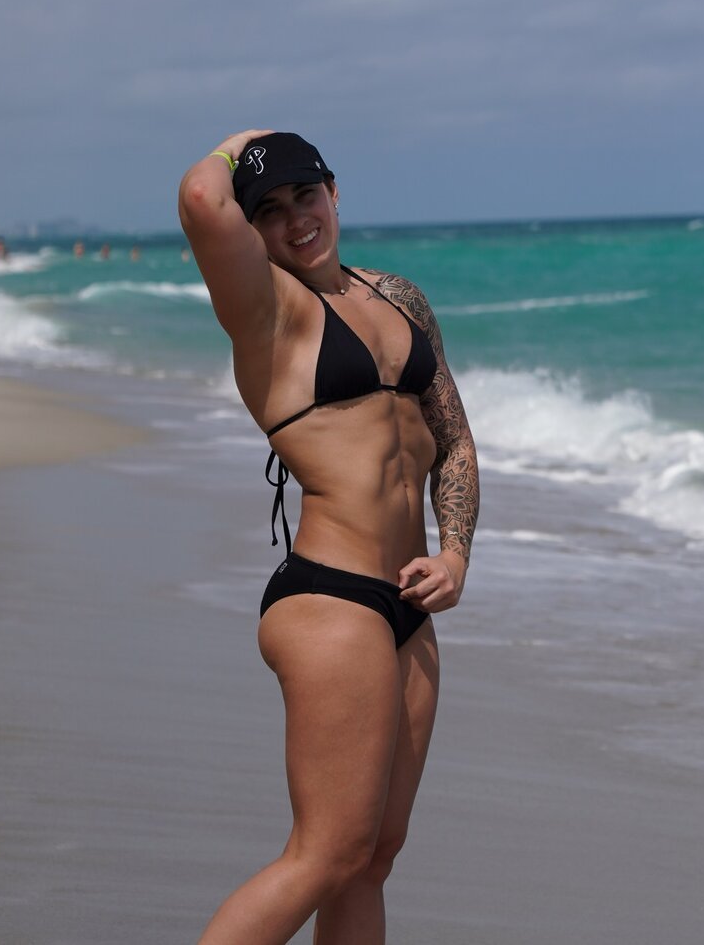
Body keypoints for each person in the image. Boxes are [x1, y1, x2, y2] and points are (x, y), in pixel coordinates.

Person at [178, 130, 479, 945]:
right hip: (330, 598)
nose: (296, 219)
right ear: (255, 230)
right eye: (270, 210)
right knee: (326, 852)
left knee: (372, 857)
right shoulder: (265, 309)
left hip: (408, 604)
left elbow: (452, 437)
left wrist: (455, 553)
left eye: (305, 195)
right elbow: (202, 198)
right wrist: (240, 144)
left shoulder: (400, 298)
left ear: (335, 192)